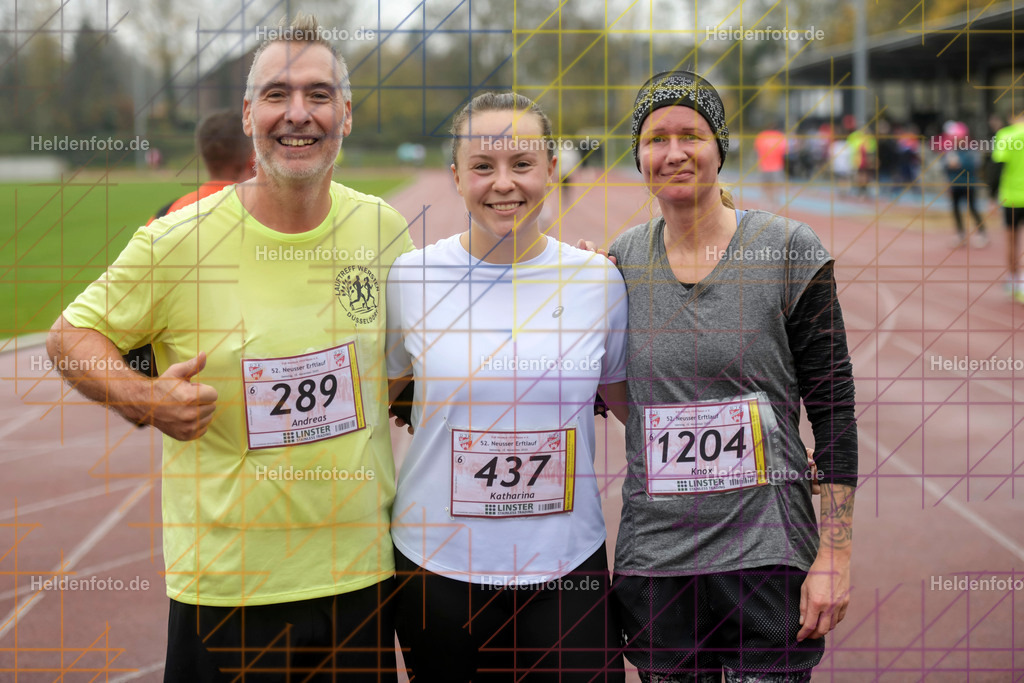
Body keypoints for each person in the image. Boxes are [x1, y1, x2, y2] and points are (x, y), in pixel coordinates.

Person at [46, 14, 412, 682]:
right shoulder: (175, 242)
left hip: (359, 578)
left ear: (346, 114)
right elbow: (69, 335)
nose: (297, 113)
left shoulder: (382, 228)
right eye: (276, 94)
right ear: (248, 115)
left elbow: (401, 368)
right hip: (227, 588)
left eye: (319, 94)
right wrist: (145, 398)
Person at [605, 71, 859, 682]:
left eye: (691, 135)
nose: (674, 153)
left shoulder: (788, 249)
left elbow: (834, 412)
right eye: (655, 139)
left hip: (768, 555)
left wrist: (836, 554)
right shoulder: (618, 264)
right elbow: (607, 395)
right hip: (658, 559)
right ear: (639, 158)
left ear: (720, 147)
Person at [386, 92, 628, 682]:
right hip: (436, 566)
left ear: (551, 169)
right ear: (456, 176)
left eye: (522, 163)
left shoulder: (598, 280)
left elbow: (633, 408)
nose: (503, 183)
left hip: (566, 565)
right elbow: (383, 396)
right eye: (482, 166)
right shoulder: (411, 278)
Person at [123, 110, 257, 381]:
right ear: (253, 157)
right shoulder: (272, 215)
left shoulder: (166, 217)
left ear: (203, 154)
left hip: (186, 382)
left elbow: (130, 312)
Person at [992, 110, 1024, 301]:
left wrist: (991, 194)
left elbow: (997, 166)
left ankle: (1014, 281)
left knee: (1012, 241)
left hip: (1011, 197)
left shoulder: (1006, 135)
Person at [940, 121, 987, 248]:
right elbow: (944, 167)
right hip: (954, 185)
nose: (955, 140)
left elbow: (974, 166)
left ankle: (982, 234)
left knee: (973, 209)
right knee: (955, 210)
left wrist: (959, 164)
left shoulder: (971, 150)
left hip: (968, 185)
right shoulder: (950, 151)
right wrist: (948, 166)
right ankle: (960, 235)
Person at [753, 124, 787, 209]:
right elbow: (784, 152)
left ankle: (766, 202)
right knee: (776, 186)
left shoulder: (762, 135)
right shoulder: (780, 136)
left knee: (765, 186)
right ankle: (774, 203)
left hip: (764, 166)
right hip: (777, 166)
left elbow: (756, 150)